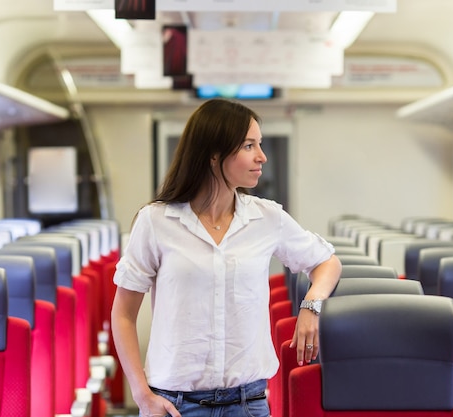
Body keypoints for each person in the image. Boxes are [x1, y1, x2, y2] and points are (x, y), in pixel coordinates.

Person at [111, 98, 342, 417]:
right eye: (249, 145)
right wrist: (141, 394)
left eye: (259, 145)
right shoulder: (156, 222)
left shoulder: (267, 218)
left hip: (248, 404)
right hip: (175, 405)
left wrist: (311, 305)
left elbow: (327, 261)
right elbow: (123, 314)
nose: (262, 156)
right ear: (213, 154)